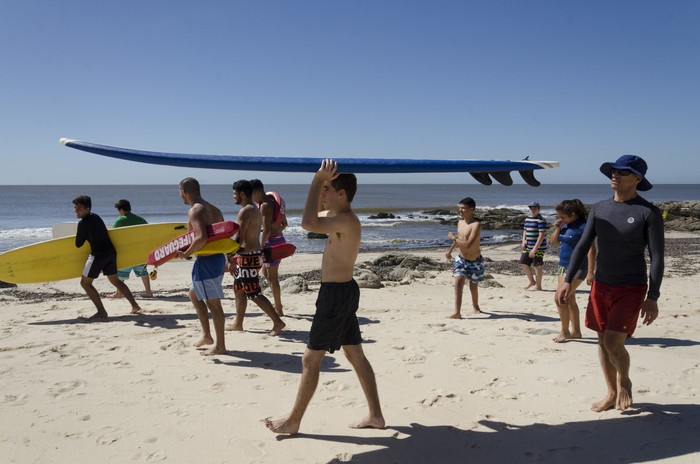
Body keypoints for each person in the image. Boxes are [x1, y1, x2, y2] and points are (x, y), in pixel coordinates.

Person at [265, 159, 385, 435]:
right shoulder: (339, 216)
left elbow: (308, 222)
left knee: (310, 359)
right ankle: (376, 415)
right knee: (355, 353)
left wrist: (317, 180)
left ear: (341, 194)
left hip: (336, 296)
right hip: (340, 292)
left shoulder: (345, 221)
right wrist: (322, 180)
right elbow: (317, 211)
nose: (323, 194)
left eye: (328, 189)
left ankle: (294, 420)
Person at [555, 155, 664, 412]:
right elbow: (583, 246)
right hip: (601, 285)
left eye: (622, 172)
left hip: (631, 287)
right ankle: (611, 391)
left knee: (614, 342)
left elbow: (657, 256)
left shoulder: (648, 212)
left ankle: (624, 381)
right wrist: (567, 280)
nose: (614, 175)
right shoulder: (600, 209)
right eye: (613, 170)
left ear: (637, 179)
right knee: (602, 340)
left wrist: (653, 296)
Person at [226, 180, 286, 336]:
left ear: (242, 194)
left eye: (234, 193)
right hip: (247, 255)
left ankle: (277, 322)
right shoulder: (254, 208)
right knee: (239, 289)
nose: (232, 197)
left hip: (248, 257)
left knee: (253, 292)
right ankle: (238, 323)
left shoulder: (246, 211)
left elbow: (239, 237)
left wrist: (228, 254)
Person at [178, 177, 228, 356]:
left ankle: (220, 346)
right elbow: (221, 235)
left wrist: (186, 253)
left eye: (180, 193)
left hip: (207, 263)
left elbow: (201, 237)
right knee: (193, 294)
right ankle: (207, 335)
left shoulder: (195, 210)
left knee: (214, 306)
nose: (180, 197)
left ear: (184, 192)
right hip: (215, 260)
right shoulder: (214, 208)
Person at [73, 195, 141, 320]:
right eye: (75, 208)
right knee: (116, 281)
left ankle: (101, 312)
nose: (76, 210)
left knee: (85, 283)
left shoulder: (83, 223)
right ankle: (135, 306)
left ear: (87, 209)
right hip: (110, 253)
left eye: (79, 208)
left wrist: (81, 233)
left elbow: (78, 244)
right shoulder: (96, 217)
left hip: (98, 256)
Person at [550, 199, 595, 343]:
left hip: (578, 267)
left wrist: (590, 272)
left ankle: (565, 332)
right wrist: (557, 228)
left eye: (563, 216)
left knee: (560, 298)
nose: (560, 219)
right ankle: (576, 332)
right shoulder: (565, 225)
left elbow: (591, 249)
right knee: (569, 299)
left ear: (573, 214)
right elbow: (554, 242)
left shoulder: (583, 227)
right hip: (562, 266)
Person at [251, 179, 288, 316]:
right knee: (266, 274)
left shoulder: (265, 206)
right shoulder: (274, 203)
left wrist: (261, 246)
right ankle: (277, 304)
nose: (251, 198)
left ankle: (278, 308)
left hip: (271, 243)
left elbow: (266, 230)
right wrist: (277, 233)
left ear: (257, 192)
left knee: (273, 277)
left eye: (251, 195)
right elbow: (285, 223)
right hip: (277, 240)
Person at [445, 197, 483, 318]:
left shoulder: (476, 225)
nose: (460, 210)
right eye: (459, 208)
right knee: (458, 282)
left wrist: (453, 237)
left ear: (471, 210)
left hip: (475, 261)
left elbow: (468, 244)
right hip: (461, 259)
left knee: (473, 286)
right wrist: (450, 250)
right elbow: (460, 239)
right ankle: (457, 312)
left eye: (463, 208)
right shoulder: (460, 223)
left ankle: (475, 306)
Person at [109, 199, 153, 298]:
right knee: (143, 272)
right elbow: (148, 233)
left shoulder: (120, 220)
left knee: (121, 273)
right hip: (140, 252)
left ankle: (119, 293)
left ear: (120, 210)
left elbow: (113, 236)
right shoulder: (140, 219)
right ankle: (148, 292)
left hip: (127, 252)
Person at [520, 201, 548, 291]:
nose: (532, 210)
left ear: (538, 209)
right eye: (531, 208)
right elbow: (525, 230)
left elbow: (542, 235)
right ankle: (532, 282)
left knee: (537, 265)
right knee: (523, 263)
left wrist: (535, 249)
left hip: (538, 247)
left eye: (535, 208)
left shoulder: (541, 220)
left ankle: (538, 286)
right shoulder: (527, 219)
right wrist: (523, 240)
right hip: (528, 246)